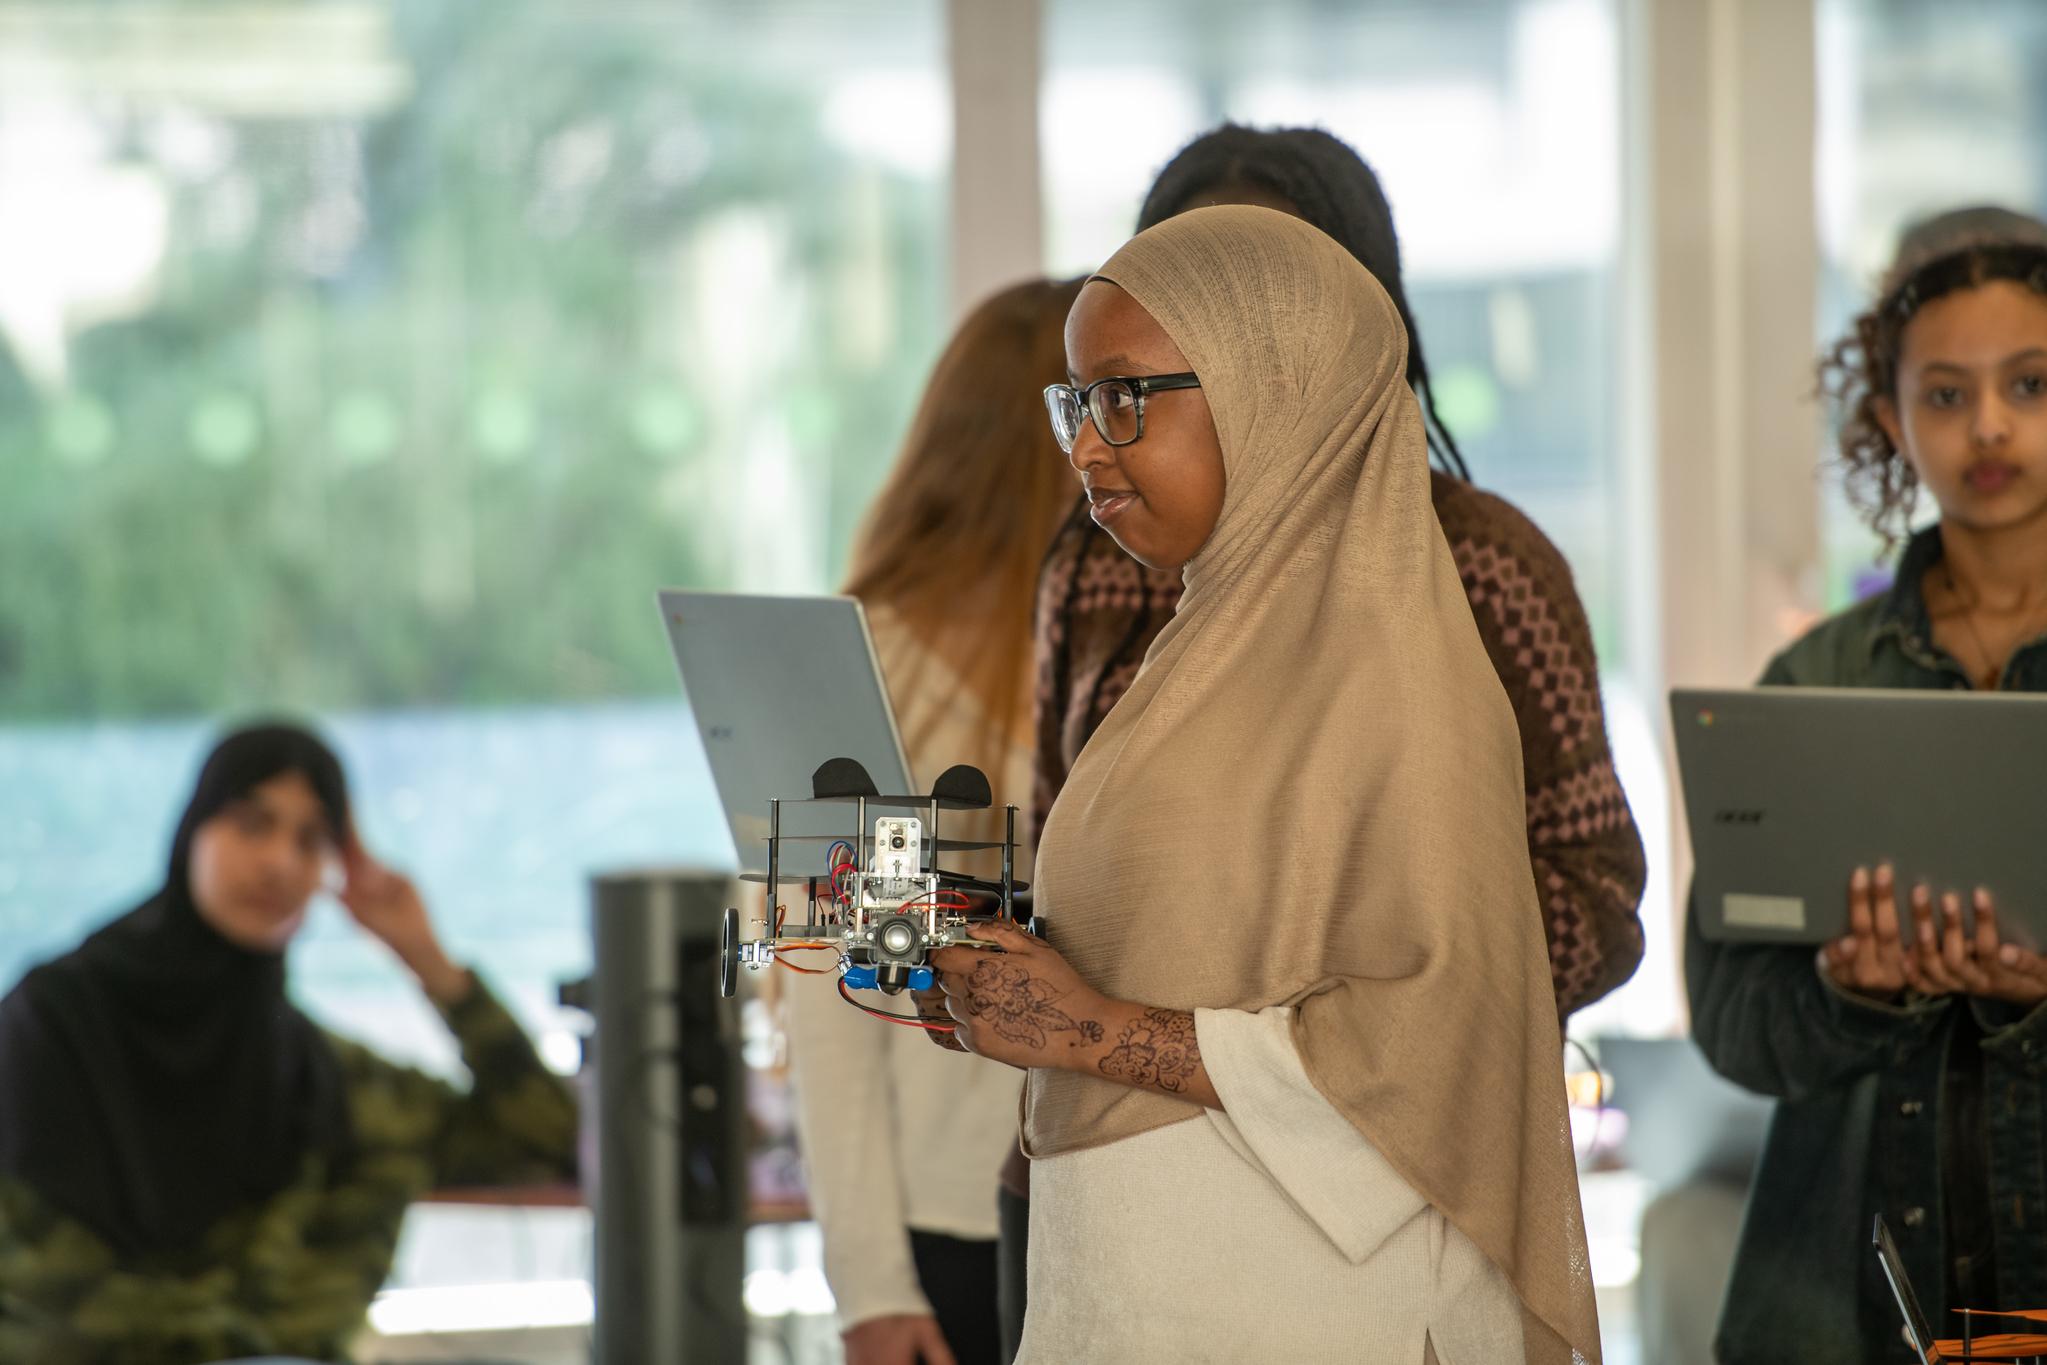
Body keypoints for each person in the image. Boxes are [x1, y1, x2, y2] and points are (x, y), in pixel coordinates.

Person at [1002, 122, 1646, 1358]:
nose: (1089, 444)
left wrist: (1108, 1024)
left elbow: (1459, 1001)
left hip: (1321, 1271)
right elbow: (1077, 885)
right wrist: (997, 972)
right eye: (1077, 402)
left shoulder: (1442, 626)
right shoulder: (1140, 590)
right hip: (1132, 1246)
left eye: (1127, 399)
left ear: (1287, 359)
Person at [1687, 206, 2047, 1362]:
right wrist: (1846, 989)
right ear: (1889, 419)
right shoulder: (1814, 682)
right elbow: (1734, 1022)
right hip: (1840, 1315)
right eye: (1944, 395)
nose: (1988, 426)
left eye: (2030, 384)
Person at [0, 722, 577, 1365]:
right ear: (193, 831)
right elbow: (37, 1288)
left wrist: (430, 964)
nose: (280, 861)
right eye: (252, 823)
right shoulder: (51, 1028)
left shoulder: (318, 1081)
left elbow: (550, 1136)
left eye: (312, 840)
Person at [778, 277, 1085, 1365]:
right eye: (1099, 400)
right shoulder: (877, 677)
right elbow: (832, 995)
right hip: (950, 1232)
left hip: (1103, 1200)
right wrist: (868, 1283)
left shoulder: (1117, 649)